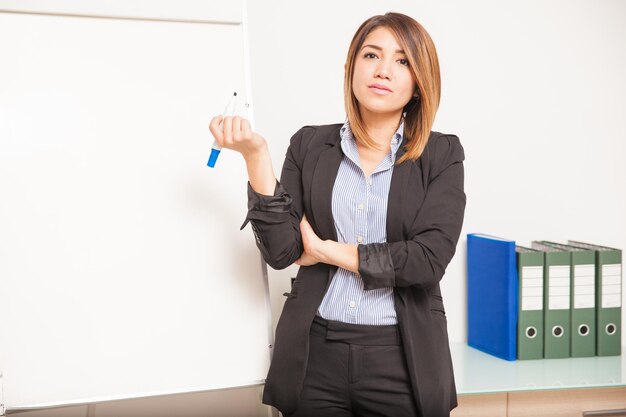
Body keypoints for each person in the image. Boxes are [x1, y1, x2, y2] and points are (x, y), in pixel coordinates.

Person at [209, 12, 465, 417]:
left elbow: (427, 260)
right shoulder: (310, 145)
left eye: (402, 61)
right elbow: (282, 252)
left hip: (401, 358)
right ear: (350, 67)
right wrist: (256, 157)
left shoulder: (442, 154)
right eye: (371, 55)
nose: (383, 71)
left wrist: (327, 251)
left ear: (419, 82)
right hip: (315, 356)